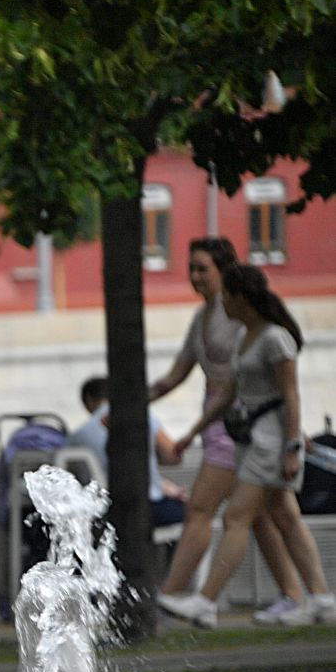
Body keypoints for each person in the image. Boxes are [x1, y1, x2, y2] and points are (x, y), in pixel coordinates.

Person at [158, 266, 334, 629]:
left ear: (243, 299)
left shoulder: (275, 339)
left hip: (271, 442)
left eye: (228, 297)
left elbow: (291, 395)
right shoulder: (246, 338)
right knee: (285, 517)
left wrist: (291, 445)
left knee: (236, 517)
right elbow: (230, 395)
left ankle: (205, 602)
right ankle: (320, 597)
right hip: (252, 437)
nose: (223, 303)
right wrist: (194, 431)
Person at [64, 375, 188, 526]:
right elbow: (172, 457)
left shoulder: (78, 436)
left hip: (103, 511)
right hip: (150, 507)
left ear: (89, 400)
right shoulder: (143, 416)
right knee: (194, 512)